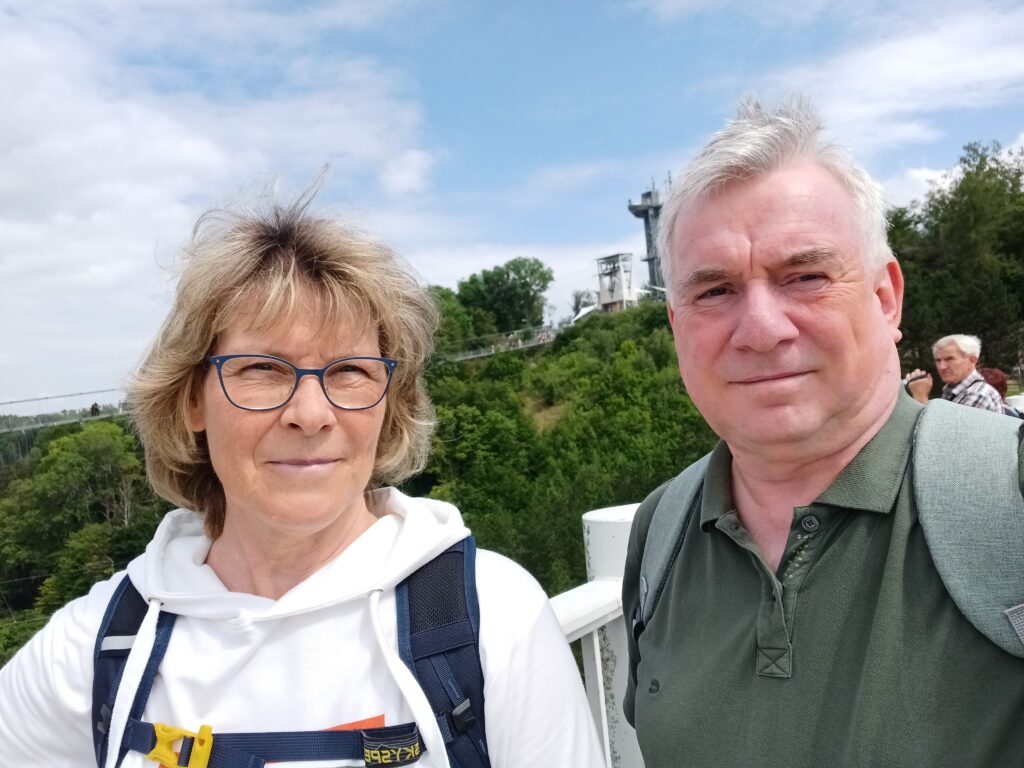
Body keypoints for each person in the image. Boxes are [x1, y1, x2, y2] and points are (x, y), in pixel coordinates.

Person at [0, 189, 605, 768]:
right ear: (191, 399)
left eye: (350, 371)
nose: (310, 414)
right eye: (263, 368)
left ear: (389, 402)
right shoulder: (92, 652)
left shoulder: (491, 619)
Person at [622, 97, 1024, 767]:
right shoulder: (661, 532)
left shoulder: (1010, 495)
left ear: (885, 297)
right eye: (714, 291)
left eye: (805, 276)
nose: (760, 329)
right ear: (676, 326)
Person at [904, 334, 1003, 412]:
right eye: (938, 360)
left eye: (950, 359)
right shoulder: (954, 390)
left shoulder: (978, 394)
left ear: (972, 360)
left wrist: (920, 397)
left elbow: (943, 431)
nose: (942, 367)